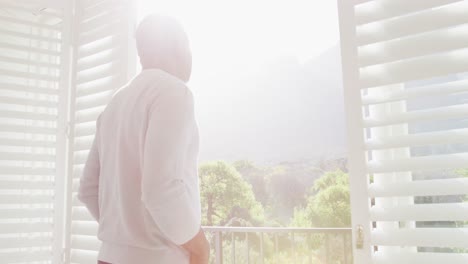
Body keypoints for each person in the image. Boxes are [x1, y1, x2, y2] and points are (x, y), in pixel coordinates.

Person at [78, 14, 210, 264]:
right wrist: (200, 248)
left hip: (107, 258)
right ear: (178, 48)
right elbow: (161, 188)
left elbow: (87, 189)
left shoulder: (114, 105)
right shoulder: (174, 91)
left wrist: (126, 233)